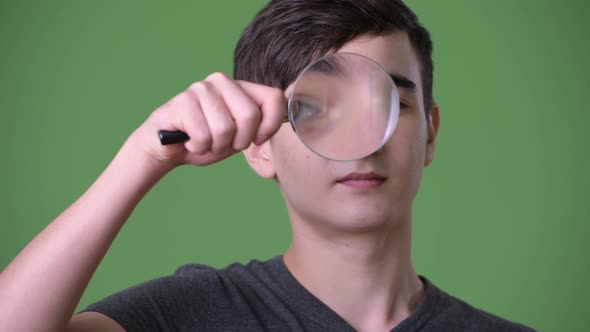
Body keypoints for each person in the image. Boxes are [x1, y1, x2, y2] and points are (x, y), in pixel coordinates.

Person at [0, 1, 535, 331]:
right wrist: (142, 157)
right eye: (313, 109)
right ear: (258, 145)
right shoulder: (192, 315)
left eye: (388, 105)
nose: (359, 145)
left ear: (430, 135)